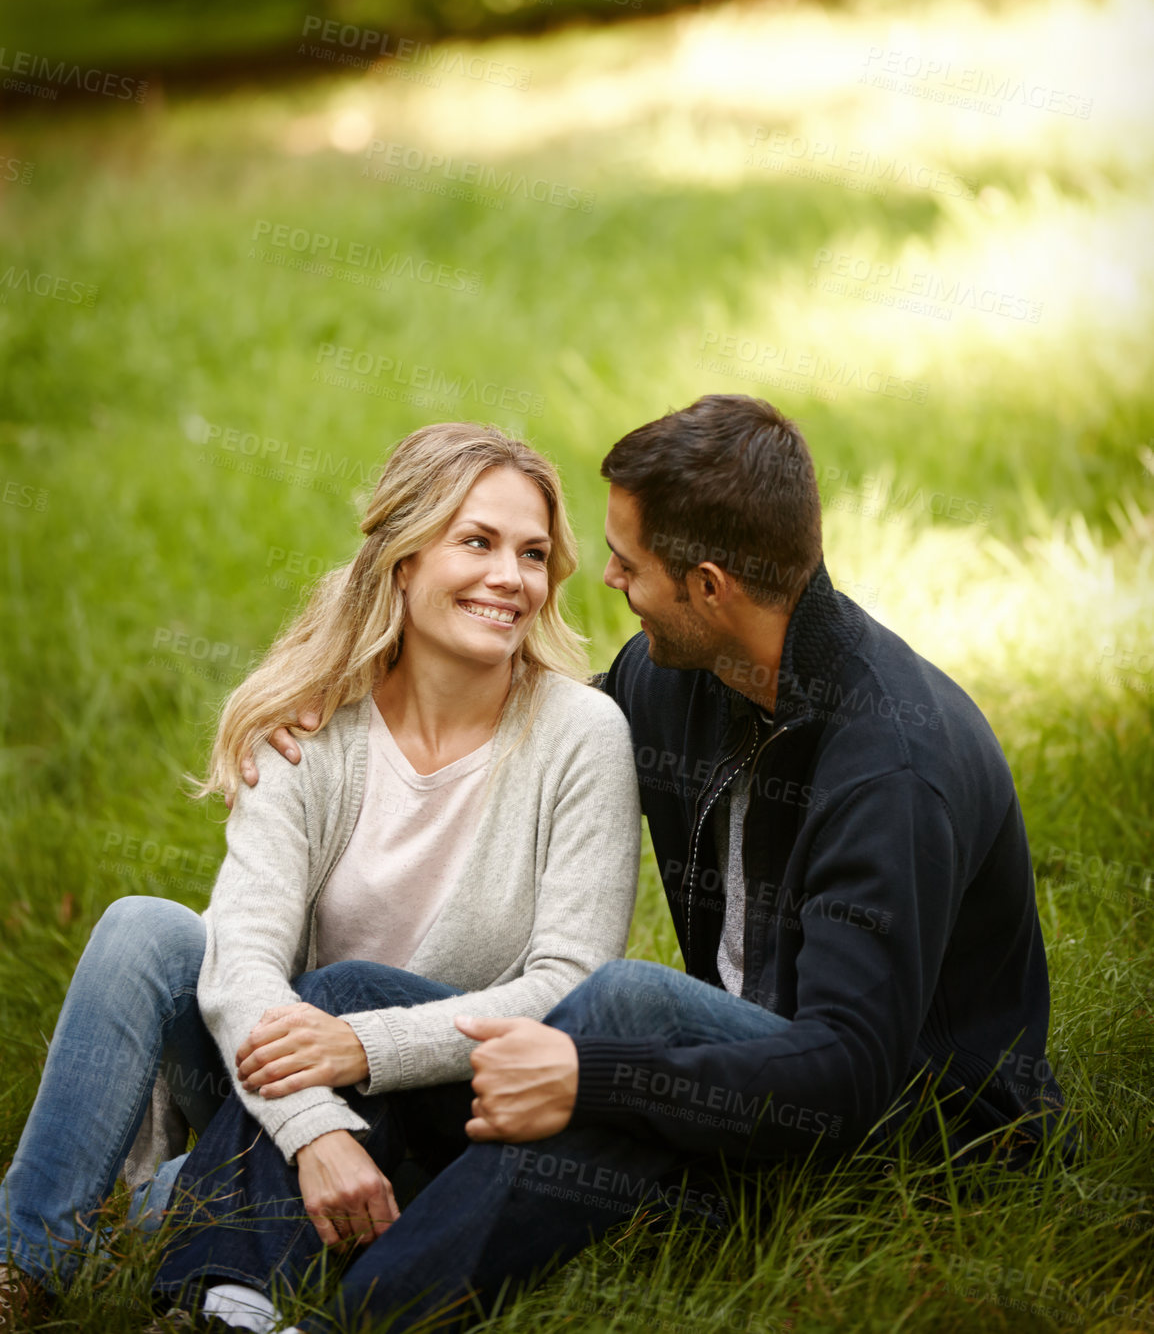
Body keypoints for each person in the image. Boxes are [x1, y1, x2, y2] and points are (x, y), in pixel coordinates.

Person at [154, 393, 1068, 1334]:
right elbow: (530, 730)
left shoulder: (892, 767)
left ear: (708, 586)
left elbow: (848, 1071)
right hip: (721, 1079)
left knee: (617, 1001)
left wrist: (599, 1076)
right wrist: (346, 700)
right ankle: (215, 1303)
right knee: (345, 995)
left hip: (902, 1134)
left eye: (629, 565)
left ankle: (353, 1324)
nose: (608, 584)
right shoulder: (680, 678)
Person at [0, 422, 640, 1332]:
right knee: (145, 928)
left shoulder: (581, 736)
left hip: (441, 1110)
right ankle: (24, 1267)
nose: (512, 578)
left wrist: (365, 1048)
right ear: (404, 561)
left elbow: (572, 986)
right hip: (282, 1088)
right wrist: (315, 1127)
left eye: (533, 553)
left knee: (192, 1180)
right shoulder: (311, 725)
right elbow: (240, 966)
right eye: (477, 542)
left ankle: (191, 1240)